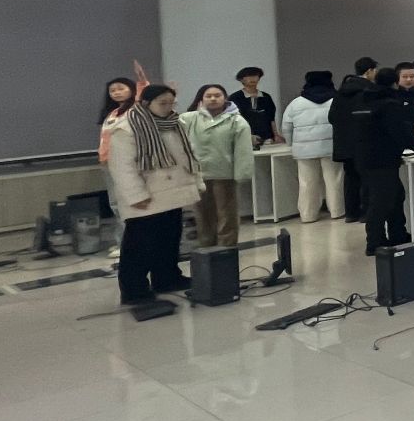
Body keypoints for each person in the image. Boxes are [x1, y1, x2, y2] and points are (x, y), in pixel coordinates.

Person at [103, 85, 202, 308]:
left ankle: (167, 278)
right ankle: (134, 290)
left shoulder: (176, 123)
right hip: (146, 195)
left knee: (169, 239)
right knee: (140, 245)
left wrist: (196, 182)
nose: (167, 108)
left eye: (171, 103)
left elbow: (189, 155)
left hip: (172, 192)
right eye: (162, 103)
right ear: (146, 103)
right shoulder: (127, 127)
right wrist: (136, 195)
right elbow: (122, 167)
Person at [350, 67, 414, 254]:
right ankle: (375, 242)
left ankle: (397, 234)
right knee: (382, 201)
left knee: (393, 196)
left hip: (363, 156)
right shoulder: (390, 104)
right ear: (395, 82)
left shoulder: (363, 100)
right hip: (382, 158)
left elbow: (379, 126)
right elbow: (397, 132)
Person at [180, 84, 252, 248]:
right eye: (208, 96)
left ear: (225, 98)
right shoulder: (190, 118)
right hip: (199, 175)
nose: (213, 99)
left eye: (217, 95)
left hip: (225, 175)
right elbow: (168, 122)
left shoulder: (237, 121)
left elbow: (243, 150)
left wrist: (242, 174)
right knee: (202, 215)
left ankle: (227, 248)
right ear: (201, 99)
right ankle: (206, 248)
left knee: (227, 214)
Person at [282, 70, 343, 222]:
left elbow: (286, 127)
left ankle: (308, 215)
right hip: (332, 148)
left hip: (304, 150)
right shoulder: (337, 100)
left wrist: (291, 144)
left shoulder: (296, 103)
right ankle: (337, 211)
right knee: (334, 180)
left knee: (307, 183)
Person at [330, 57, 380, 222]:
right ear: (369, 71)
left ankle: (351, 213)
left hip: (344, 143)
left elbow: (332, 117)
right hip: (365, 141)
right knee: (367, 177)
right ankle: (366, 212)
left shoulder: (341, 92)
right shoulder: (370, 90)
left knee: (350, 178)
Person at [228, 66, 282, 148]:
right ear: (241, 79)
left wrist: (276, 135)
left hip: (267, 138)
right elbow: (233, 120)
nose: (252, 78)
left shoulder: (266, 97)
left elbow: (271, 118)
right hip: (245, 138)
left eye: (255, 75)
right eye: (248, 76)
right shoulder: (235, 98)